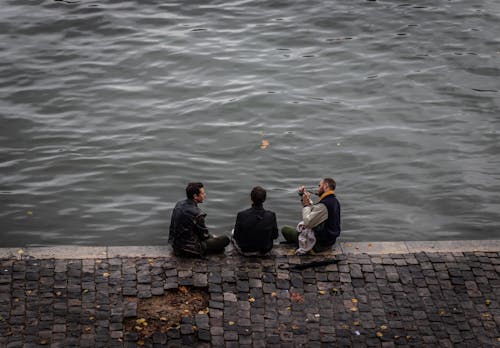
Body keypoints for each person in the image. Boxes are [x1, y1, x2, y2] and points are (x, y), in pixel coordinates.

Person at [169, 182, 230, 257]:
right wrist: (212, 237)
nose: (205, 195)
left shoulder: (179, 204)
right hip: (189, 249)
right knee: (225, 239)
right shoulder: (197, 213)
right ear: (195, 196)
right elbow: (204, 236)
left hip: (175, 245)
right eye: (203, 193)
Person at [281, 177, 341, 253]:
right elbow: (316, 211)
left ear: (325, 186)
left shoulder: (325, 204)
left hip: (320, 244)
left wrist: (306, 206)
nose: (318, 188)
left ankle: (308, 247)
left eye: (319, 186)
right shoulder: (334, 201)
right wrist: (304, 197)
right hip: (330, 240)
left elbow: (308, 222)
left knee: (285, 229)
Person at [232, 186, 279, 256]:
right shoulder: (271, 215)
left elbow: (236, 236)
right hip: (265, 249)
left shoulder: (241, 215)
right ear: (264, 199)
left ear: (251, 198)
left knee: (233, 232)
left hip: (245, 249)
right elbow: (275, 236)